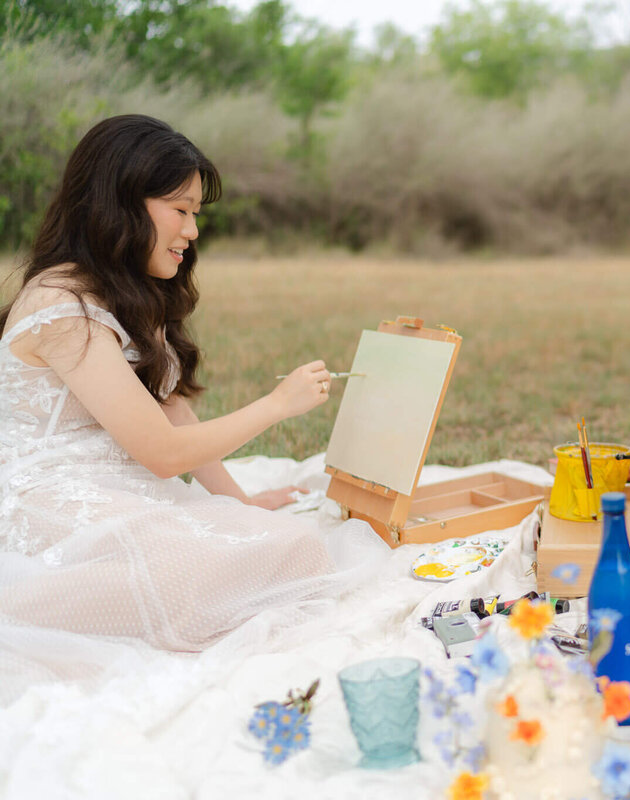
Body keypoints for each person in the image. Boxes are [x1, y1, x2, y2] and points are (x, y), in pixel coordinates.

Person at [0, 115, 385, 666]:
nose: (192, 231)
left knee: (294, 551)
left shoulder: (123, 290)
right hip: (46, 496)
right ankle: (17, 604)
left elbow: (170, 408)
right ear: (120, 203)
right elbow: (161, 454)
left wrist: (240, 500)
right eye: (179, 211)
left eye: (195, 214)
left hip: (112, 484)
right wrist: (278, 406)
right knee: (209, 577)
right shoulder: (62, 304)